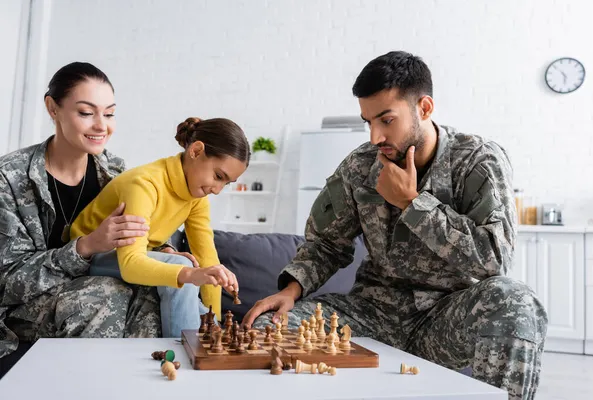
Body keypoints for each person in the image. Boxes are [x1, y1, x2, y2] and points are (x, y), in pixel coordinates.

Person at [243, 51, 547, 400]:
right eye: (368, 122)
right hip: (372, 314)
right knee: (270, 329)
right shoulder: (360, 167)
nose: (375, 137)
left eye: (386, 120)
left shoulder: (478, 160)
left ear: (425, 108)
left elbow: (494, 260)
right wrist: (290, 290)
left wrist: (413, 204)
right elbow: (326, 244)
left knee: (517, 302)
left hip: (445, 320)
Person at [0, 62, 164, 363]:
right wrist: (85, 247)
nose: (102, 125)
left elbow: (139, 235)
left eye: (110, 113)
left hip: (92, 289)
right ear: (53, 108)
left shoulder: (115, 172)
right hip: (19, 308)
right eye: (86, 113)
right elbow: (6, 282)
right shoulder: (8, 178)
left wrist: (164, 250)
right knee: (103, 294)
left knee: (150, 290)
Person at [70, 117, 248, 337]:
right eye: (218, 176)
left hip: (130, 254)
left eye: (226, 182)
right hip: (88, 258)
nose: (218, 190)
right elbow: (130, 264)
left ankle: (204, 346)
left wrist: (215, 317)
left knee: (207, 319)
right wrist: (190, 273)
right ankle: (185, 356)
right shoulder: (144, 184)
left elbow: (207, 259)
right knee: (182, 265)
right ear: (196, 151)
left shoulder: (196, 197)